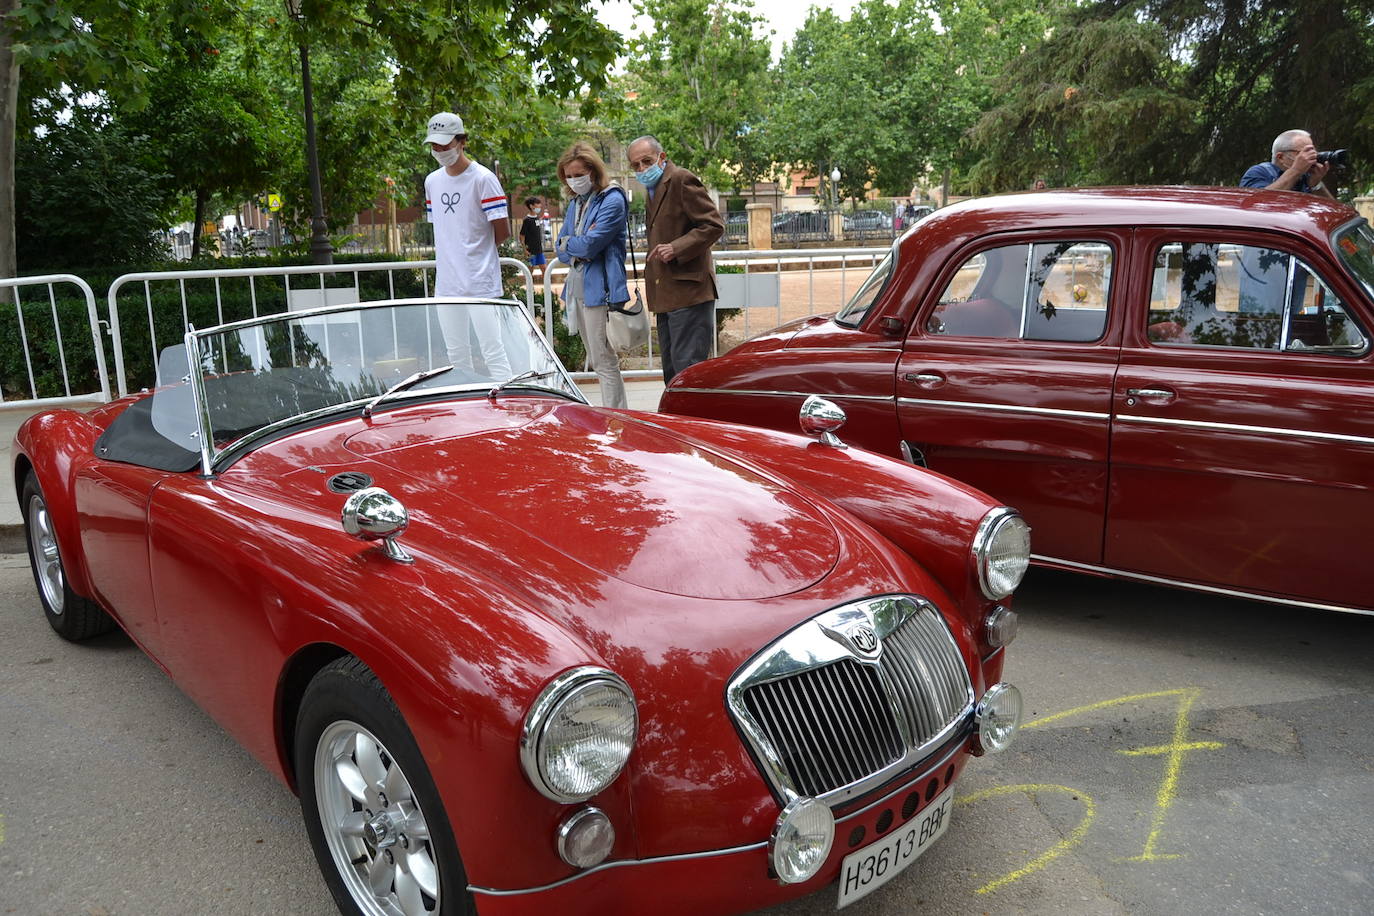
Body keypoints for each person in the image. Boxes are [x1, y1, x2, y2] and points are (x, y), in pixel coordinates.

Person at [624, 135, 724, 384]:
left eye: (646, 161)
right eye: (635, 165)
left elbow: (713, 224)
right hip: (666, 293)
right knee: (672, 372)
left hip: (689, 291)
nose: (641, 169)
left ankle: (692, 422)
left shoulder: (680, 179)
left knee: (687, 372)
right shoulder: (652, 189)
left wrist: (676, 248)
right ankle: (676, 421)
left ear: (662, 157)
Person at [423, 111, 512, 380]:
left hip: (479, 282)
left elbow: (502, 230)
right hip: (447, 283)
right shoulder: (432, 181)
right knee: (456, 356)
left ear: (462, 141)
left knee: (493, 351)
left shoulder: (483, 179)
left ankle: (507, 409)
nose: (440, 150)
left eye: (445, 144)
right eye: (434, 146)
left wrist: (477, 253)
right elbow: (444, 228)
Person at [555, 143, 630, 408]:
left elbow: (590, 245)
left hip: (601, 290)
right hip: (578, 287)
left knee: (603, 359)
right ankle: (612, 415)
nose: (574, 180)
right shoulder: (576, 203)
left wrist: (573, 244)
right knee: (596, 356)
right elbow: (560, 249)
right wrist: (574, 244)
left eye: (578, 174)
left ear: (593, 171)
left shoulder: (612, 198)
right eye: (569, 176)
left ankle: (615, 418)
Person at [1240, 129, 1335, 199]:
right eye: (1302, 153)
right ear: (1281, 157)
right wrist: (1296, 170)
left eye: (1312, 152)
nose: (1310, 158)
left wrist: (1316, 185)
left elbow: (1332, 210)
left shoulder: (1305, 177)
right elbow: (1255, 201)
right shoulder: (1259, 172)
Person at [521, 196, 546, 282]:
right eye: (538, 204)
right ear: (531, 206)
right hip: (530, 251)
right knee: (529, 272)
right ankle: (529, 291)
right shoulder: (527, 220)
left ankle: (546, 290)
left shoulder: (537, 218)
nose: (540, 206)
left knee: (545, 270)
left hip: (539, 250)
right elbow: (521, 236)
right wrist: (525, 250)